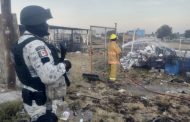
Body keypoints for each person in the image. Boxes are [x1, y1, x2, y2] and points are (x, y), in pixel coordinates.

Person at [12, 5, 71, 122]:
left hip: (32, 99)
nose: (46, 25)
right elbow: (48, 76)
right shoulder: (36, 45)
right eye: (44, 21)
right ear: (36, 23)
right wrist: (65, 64)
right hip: (42, 105)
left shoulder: (20, 42)